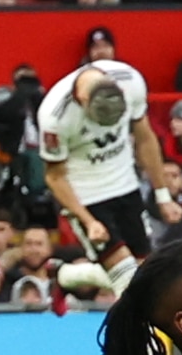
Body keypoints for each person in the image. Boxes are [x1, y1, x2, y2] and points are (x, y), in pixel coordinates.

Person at [43, 31, 167, 275]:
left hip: (125, 185)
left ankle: (67, 275)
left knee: (146, 273)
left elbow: (145, 137)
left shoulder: (130, 81)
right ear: (84, 100)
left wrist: (163, 195)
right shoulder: (55, 116)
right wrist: (88, 221)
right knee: (125, 277)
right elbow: (54, 176)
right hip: (87, 195)